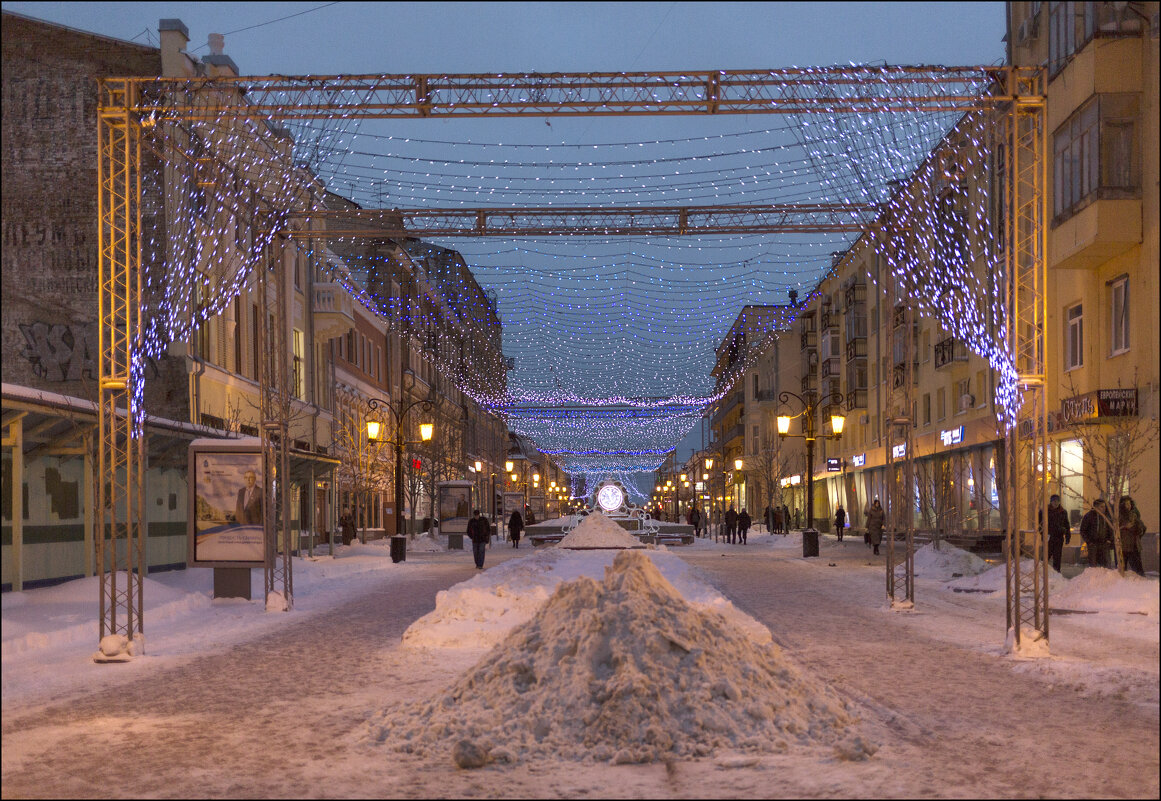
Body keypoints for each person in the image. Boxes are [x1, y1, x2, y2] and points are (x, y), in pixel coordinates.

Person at [1039, 494, 1071, 573]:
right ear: (1051, 501)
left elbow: (1067, 525)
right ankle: (1042, 572)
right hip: (1048, 537)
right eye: (1054, 501)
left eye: (1057, 501)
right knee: (1046, 555)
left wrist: (1067, 536)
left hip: (1058, 537)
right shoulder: (1044, 511)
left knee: (1057, 557)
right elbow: (1039, 524)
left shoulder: (1063, 512)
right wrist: (1043, 533)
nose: (1056, 503)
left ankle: (1056, 573)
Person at [1117, 495, 1146, 577]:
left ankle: (1142, 584)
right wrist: (1125, 527)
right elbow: (1115, 530)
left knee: (1138, 570)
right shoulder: (1119, 516)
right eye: (1126, 504)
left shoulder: (1134, 514)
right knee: (1123, 571)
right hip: (1124, 546)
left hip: (1134, 545)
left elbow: (1141, 529)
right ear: (1122, 505)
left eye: (1129, 504)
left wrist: (1137, 527)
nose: (1128, 506)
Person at [1080, 498, 1112, 568]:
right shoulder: (1089, 516)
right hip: (1093, 544)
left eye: (1104, 506)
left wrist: (1109, 540)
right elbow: (1083, 530)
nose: (1104, 508)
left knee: (1106, 565)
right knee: (1093, 565)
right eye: (1101, 506)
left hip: (1104, 543)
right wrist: (1089, 542)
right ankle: (1094, 578)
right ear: (1096, 507)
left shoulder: (1106, 517)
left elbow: (1111, 529)